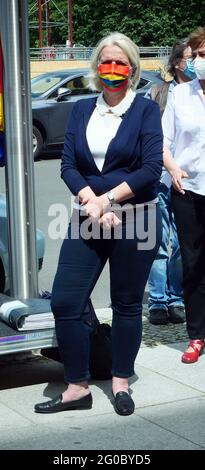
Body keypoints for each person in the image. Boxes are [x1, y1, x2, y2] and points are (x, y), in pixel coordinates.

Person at [35, 32, 163, 416]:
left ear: (133, 68)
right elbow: (68, 165)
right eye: (106, 61)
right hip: (88, 217)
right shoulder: (80, 110)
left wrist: (108, 200)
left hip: (136, 218)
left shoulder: (144, 111)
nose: (112, 69)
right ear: (96, 68)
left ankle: (121, 381)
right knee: (66, 301)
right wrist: (92, 203)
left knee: (125, 305)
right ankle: (78, 386)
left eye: (120, 62)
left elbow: (149, 169)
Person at [162, 27, 205, 363]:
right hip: (188, 190)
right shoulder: (180, 95)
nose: (203, 61)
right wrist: (173, 169)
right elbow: (163, 141)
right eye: (200, 55)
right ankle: (197, 335)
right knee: (192, 262)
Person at [147, 39, 194, 325]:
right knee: (158, 243)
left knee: (181, 243)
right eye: (190, 57)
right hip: (161, 178)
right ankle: (157, 301)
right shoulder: (158, 93)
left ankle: (176, 297)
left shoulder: (199, 94)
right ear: (177, 63)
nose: (194, 61)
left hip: (189, 182)